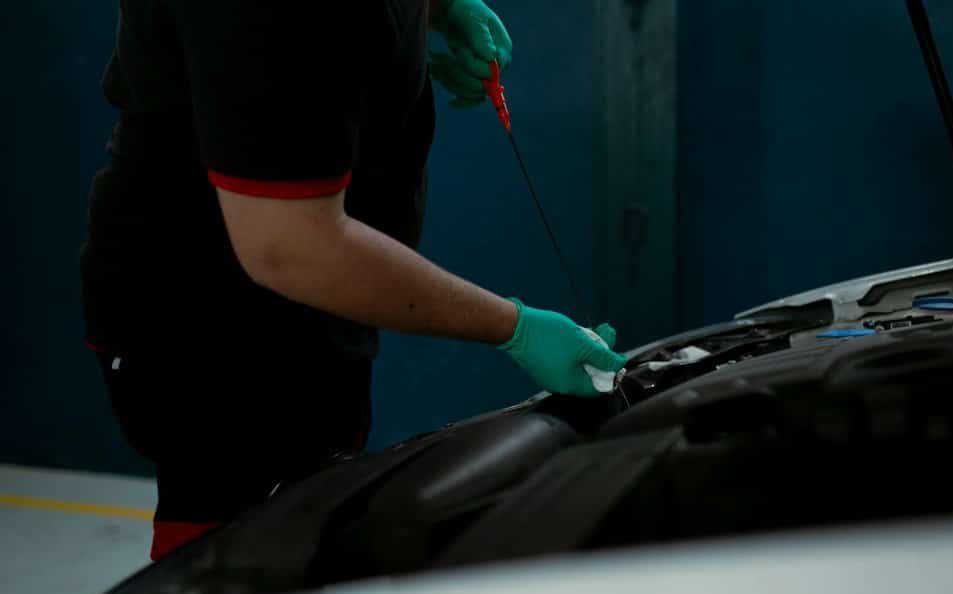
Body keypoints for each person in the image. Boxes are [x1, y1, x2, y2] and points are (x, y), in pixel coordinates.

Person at [82, 0, 625, 560]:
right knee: (235, 561)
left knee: (312, 516)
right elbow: (288, 246)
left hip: (317, 303)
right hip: (208, 322)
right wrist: (515, 327)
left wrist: (433, 9)